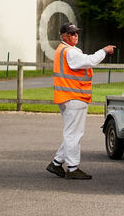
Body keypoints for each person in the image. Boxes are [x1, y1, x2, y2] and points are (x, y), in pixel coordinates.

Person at [47, 23, 115, 180]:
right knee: (74, 134)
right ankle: (72, 168)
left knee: (71, 133)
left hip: (66, 97)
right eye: (71, 34)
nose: (75, 36)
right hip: (74, 97)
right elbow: (90, 60)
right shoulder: (70, 52)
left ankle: (57, 163)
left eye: (76, 33)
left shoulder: (63, 50)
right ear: (63, 36)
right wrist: (104, 50)